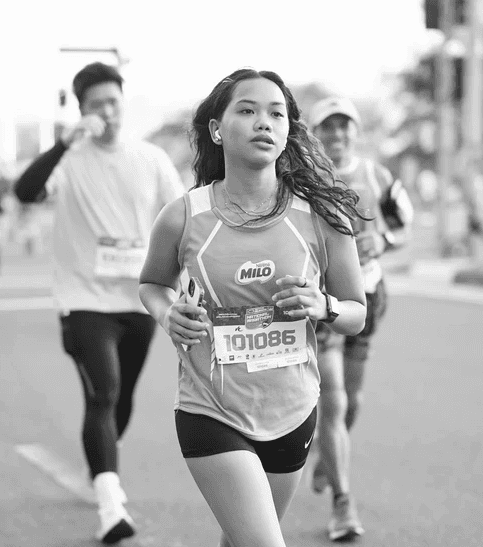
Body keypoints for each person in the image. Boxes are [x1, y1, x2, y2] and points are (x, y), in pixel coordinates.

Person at [139, 69, 368, 547]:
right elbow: (152, 285)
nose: (264, 122)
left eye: (276, 113)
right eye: (248, 110)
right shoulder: (184, 215)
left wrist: (323, 305)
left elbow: (356, 313)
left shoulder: (322, 217)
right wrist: (168, 314)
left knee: (241, 540)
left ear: (287, 133)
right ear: (217, 129)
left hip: (293, 411)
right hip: (212, 410)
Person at [13, 62, 184, 544]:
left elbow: (182, 220)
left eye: (113, 102)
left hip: (139, 300)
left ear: (123, 103)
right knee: (104, 392)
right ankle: (110, 504)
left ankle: (102, 459)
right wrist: (64, 142)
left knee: (121, 398)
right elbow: (25, 191)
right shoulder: (68, 159)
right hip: (82, 300)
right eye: (95, 106)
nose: (106, 113)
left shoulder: (150, 159)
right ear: (82, 111)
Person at [308, 96, 413, 541]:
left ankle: (328, 458)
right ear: (316, 134)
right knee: (332, 402)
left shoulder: (377, 175)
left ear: (355, 130)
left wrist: (384, 240)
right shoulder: (305, 179)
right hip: (325, 303)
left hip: (369, 295)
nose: (337, 135)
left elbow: (405, 224)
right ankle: (342, 504)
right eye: (328, 127)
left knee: (353, 402)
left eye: (344, 126)